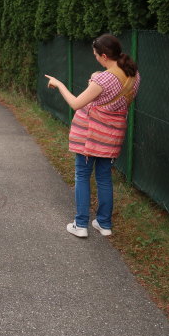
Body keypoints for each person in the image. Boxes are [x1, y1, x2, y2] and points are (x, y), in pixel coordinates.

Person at [45, 34, 140, 238]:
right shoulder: (133, 75)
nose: (95, 57)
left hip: (91, 134)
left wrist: (59, 84)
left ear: (104, 56)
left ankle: (80, 225)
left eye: (96, 55)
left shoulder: (103, 79)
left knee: (82, 176)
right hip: (112, 135)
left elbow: (76, 103)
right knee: (104, 177)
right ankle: (104, 224)